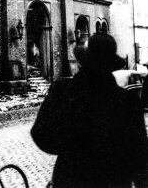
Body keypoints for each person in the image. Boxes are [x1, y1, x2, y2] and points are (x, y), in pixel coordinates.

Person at [31, 33, 148, 188]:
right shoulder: (126, 101)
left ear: (83, 63)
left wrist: (70, 150)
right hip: (114, 181)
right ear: (109, 66)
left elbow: (41, 134)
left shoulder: (64, 92)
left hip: (71, 179)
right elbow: (140, 156)